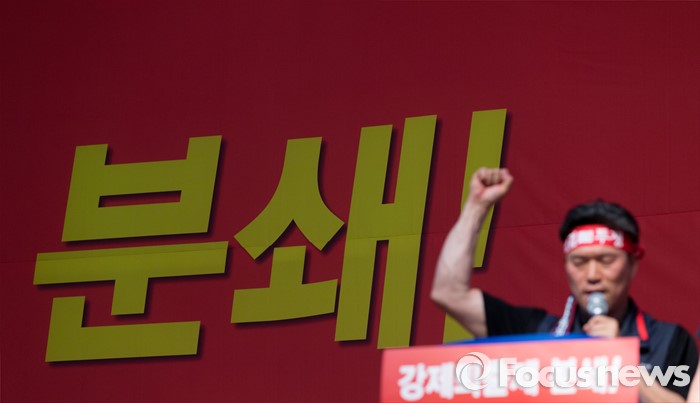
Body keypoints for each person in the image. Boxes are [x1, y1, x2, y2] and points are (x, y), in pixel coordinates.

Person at [431, 167, 698, 402]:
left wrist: (621, 362)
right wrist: (477, 206)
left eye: (606, 260)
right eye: (579, 262)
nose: (592, 275)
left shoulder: (668, 339)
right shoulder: (535, 332)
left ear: (633, 265)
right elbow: (448, 293)